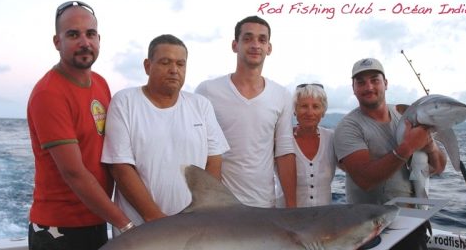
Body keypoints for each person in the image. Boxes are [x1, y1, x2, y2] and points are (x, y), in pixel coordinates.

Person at [25, 1, 134, 250]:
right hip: (58, 231)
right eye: (73, 34)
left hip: (95, 224)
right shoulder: (49, 93)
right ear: (57, 42)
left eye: (91, 33)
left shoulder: (100, 84)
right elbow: (74, 173)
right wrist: (126, 224)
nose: (85, 42)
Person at [333, 58, 447, 250]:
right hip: (364, 223)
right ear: (353, 88)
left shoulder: (409, 118)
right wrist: (407, 147)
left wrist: (428, 145)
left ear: (386, 83)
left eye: (375, 80)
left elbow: (439, 167)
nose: (368, 86)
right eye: (361, 82)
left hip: (409, 220)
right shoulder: (348, 127)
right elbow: (365, 179)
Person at [101, 34, 229, 226]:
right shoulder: (125, 102)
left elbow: (214, 160)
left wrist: (203, 212)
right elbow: (120, 168)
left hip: (193, 227)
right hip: (141, 229)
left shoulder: (201, 105)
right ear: (147, 65)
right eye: (165, 62)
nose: (174, 70)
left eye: (180, 64)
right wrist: (154, 218)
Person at [195, 15, 297, 208]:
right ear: (235, 45)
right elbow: (196, 148)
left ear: (269, 48)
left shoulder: (281, 95)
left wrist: (292, 207)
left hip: (264, 204)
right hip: (218, 206)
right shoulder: (207, 91)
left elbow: (284, 151)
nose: (255, 45)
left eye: (262, 39)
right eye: (248, 38)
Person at [292, 83, 336, 207]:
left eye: (316, 106)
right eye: (304, 106)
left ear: (323, 111)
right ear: (294, 110)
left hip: (323, 220)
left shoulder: (332, 138)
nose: (310, 112)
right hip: (286, 219)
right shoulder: (282, 139)